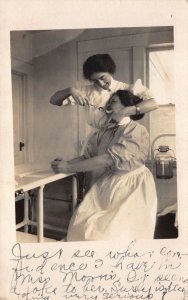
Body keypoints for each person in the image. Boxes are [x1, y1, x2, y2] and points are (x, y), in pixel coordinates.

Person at [51, 89, 157, 241]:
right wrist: (66, 163)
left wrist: (68, 168)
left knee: (112, 235)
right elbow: (88, 156)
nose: (107, 106)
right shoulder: (103, 132)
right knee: (82, 225)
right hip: (111, 182)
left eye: (112, 102)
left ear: (126, 107)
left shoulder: (136, 130)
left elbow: (108, 159)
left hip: (132, 185)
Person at [49, 53, 158, 129]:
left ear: (110, 71)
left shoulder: (126, 88)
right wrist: (70, 90)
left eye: (102, 78)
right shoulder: (86, 91)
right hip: (97, 137)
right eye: (95, 80)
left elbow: (153, 104)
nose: (100, 83)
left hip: (120, 136)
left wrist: (125, 111)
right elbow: (53, 100)